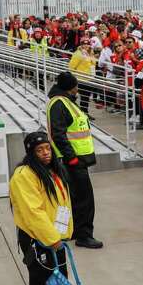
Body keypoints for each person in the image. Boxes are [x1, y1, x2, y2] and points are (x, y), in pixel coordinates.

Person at [4, 131, 90, 285]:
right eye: (39, 150)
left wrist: (61, 235)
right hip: (37, 240)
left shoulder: (53, 171)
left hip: (54, 238)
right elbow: (33, 212)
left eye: (47, 149)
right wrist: (51, 239)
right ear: (31, 153)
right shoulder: (24, 175)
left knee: (59, 281)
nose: (45, 153)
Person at [47, 72, 103, 249]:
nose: (78, 88)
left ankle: (75, 231)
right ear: (70, 87)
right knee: (85, 199)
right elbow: (58, 135)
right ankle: (84, 235)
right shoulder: (59, 103)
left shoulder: (64, 101)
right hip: (72, 161)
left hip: (76, 160)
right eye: (76, 85)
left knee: (75, 199)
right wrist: (72, 159)